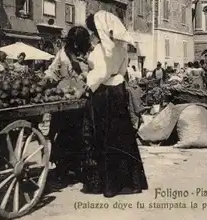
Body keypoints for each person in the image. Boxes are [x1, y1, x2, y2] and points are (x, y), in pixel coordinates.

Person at [79, 10, 148, 197]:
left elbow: (100, 74)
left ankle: (109, 185)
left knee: (104, 137)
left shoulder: (100, 50)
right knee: (123, 136)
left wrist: (87, 83)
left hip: (104, 94)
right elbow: (122, 71)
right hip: (119, 91)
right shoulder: (121, 49)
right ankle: (132, 183)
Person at [44, 26, 92, 185]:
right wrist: (45, 82)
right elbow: (51, 72)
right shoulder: (62, 54)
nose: (77, 46)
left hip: (82, 100)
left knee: (80, 135)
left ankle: (77, 167)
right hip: (63, 99)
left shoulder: (89, 55)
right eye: (75, 43)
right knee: (62, 133)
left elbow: (94, 75)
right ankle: (62, 167)